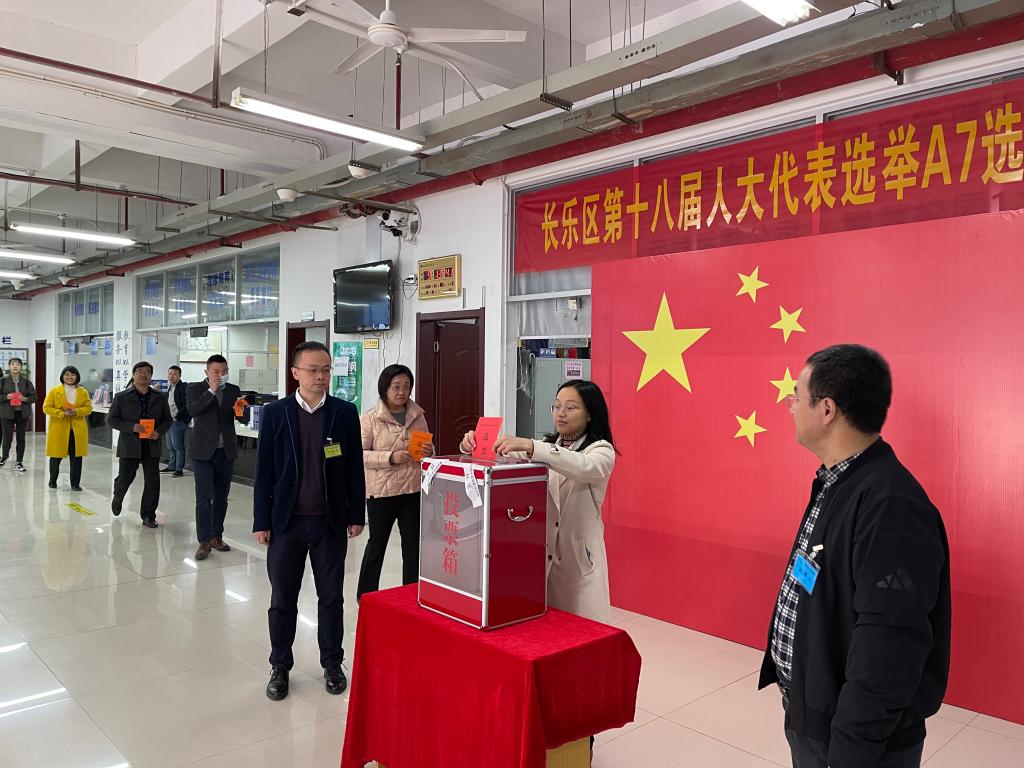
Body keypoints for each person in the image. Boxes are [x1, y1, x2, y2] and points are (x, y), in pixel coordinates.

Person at [758, 344, 951, 768]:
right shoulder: (838, 482)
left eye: (796, 396)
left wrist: (850, 749)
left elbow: (889, 648)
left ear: (827, 410)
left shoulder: (891, 506)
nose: (790, 406)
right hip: (815, 715)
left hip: (855, 743)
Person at [253, 341, 365, 701]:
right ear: (295, 373)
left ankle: (332, 662)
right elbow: (264, 471)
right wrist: (261, 520)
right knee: (282, 598)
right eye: (313, 370)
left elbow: (354, 467)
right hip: (286, 523)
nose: (321, 376)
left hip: (329, 522)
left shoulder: (343, 413)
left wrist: (356, 513)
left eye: (326, 370)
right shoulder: (276, 413)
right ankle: (280, 666)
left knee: (331, 597)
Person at [463, 379, 617, 623]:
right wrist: (475, 443)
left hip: (578, 558)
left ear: (590, 414)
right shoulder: (546, 446)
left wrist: (531, 446)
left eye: (570, 407)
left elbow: (583, 466)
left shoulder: (601, 450)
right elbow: (504, 452)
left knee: (581, 628)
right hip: (542, 556)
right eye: (556, 406)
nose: (561, 413)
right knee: (546, 627)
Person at [356, 364, 434, 600]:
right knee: (377, 545)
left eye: (406, 386)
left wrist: (429, 451)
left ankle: (411, 593)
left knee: (412, 547)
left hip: (412, 489)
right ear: (385, 388)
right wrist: (390, 457)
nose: (402, 392)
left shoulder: (417, 415)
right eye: (396, 386)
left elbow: (426, 448)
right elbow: (358, 454)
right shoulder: (370, 418)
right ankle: (366, 596)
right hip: (383, 492)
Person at [187, 354, 244, 561]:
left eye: (224, 371)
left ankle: (216, 536)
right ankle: (204, 541)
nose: (221, 375)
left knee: (221, 496)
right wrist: (211, 390)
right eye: (216, 371)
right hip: (203, 451)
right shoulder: (195, 388)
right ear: (207, 372)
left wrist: (242, 409)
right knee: (204, 496)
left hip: (226, 450)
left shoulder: (233, 390)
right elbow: (193, 410)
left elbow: (241, 418)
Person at [107, 361, 172, 528]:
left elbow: (167, 419)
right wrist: (131, 427)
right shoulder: (121, 397)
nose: (143, 374)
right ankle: (118, 495)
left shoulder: (159, 397)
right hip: (130, 444)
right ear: (133, 374)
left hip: (152, 444)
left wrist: (159, 432)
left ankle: (148, 515)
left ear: (151, 376)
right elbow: (111, 420)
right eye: (140, 371)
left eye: (147, 371)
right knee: (126, 477)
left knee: (152, 481)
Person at [42, 365, 92, 490]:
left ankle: (75, 484)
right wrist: (61, 413)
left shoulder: (83, 392)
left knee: (76, 457)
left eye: (73, 374)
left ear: (77, 377)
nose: (70, 377)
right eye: (67, 374)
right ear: (63, 376)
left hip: (77, 429)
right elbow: (46, 407)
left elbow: (88, 408)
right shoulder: (55, 391)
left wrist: (76, 411)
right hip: (59, 428)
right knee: (56, 456)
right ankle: (52, 480)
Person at [0, 357, 37, 472]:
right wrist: (7, 397)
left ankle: (19, 462)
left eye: (17, 364)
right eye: (12, 364)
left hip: (22, 413)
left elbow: (34, 398)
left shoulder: (27, 382)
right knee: (7, 437)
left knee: (21, 438)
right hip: (7, 413)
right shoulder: (3, 381)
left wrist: (24, 398)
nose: (15, 366)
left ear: (21, 367)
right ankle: (4, 457)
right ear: (9, 367)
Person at [162, 365, 189, 477]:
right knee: (170, 445)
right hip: (169, 421)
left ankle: (179, 469)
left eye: (174, 374)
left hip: (178, 421)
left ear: (179, 376)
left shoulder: (183, 387)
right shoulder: (171, 387)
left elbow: (186, 405)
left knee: (178, 446)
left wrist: (177, 417)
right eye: (170, 374)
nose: (171, 376)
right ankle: (172, 465)